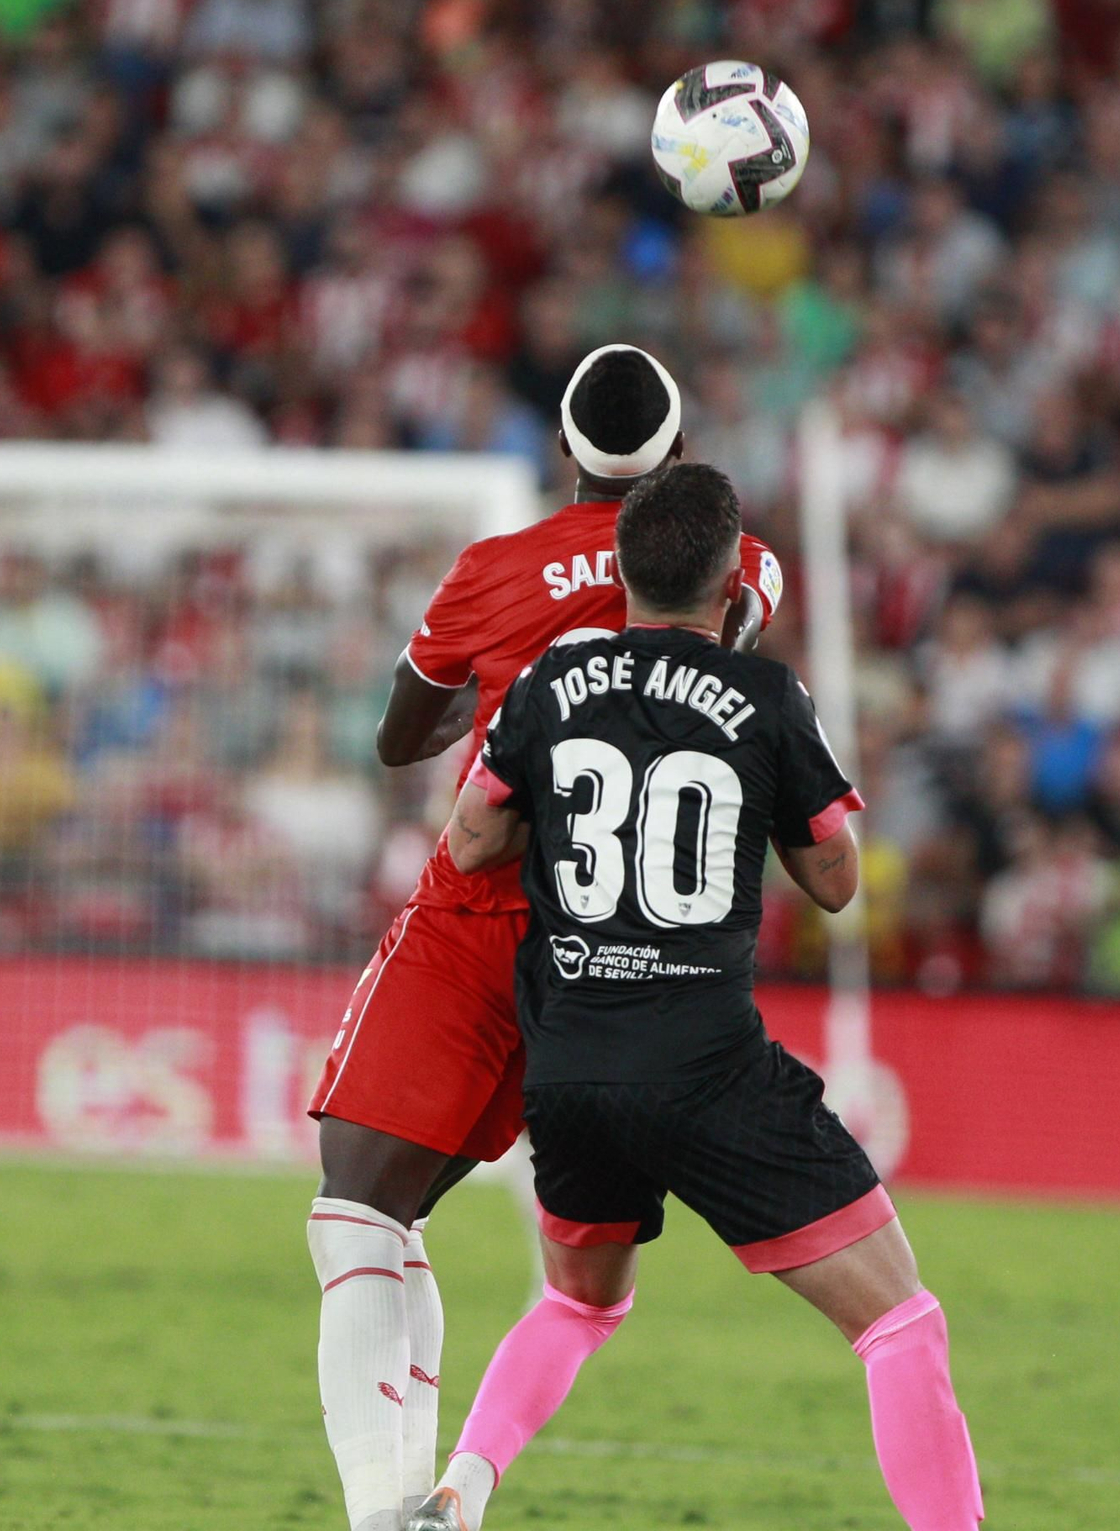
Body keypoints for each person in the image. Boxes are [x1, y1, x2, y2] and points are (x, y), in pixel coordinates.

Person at [414, 464, 983, 1531]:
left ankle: (456, 1494)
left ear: (621, 573)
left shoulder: (549, 680)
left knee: (578, 1302)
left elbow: (472, 840)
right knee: (901, 1323)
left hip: (572, 1066)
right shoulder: (766, 697)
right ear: (733, 581)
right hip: (706, 1064)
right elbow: (835, 881)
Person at [304, 347, 783, 1531]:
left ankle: (381, 1514)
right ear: (679, 455)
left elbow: (399, 738)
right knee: (403, 1214)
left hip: (488, 900)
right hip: (619, 938)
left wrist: (505, 681)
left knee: (358, 1207)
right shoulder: (748, 568)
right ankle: (416, 1510)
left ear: (564, 451)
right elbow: (711, 676)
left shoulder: (490, 570)